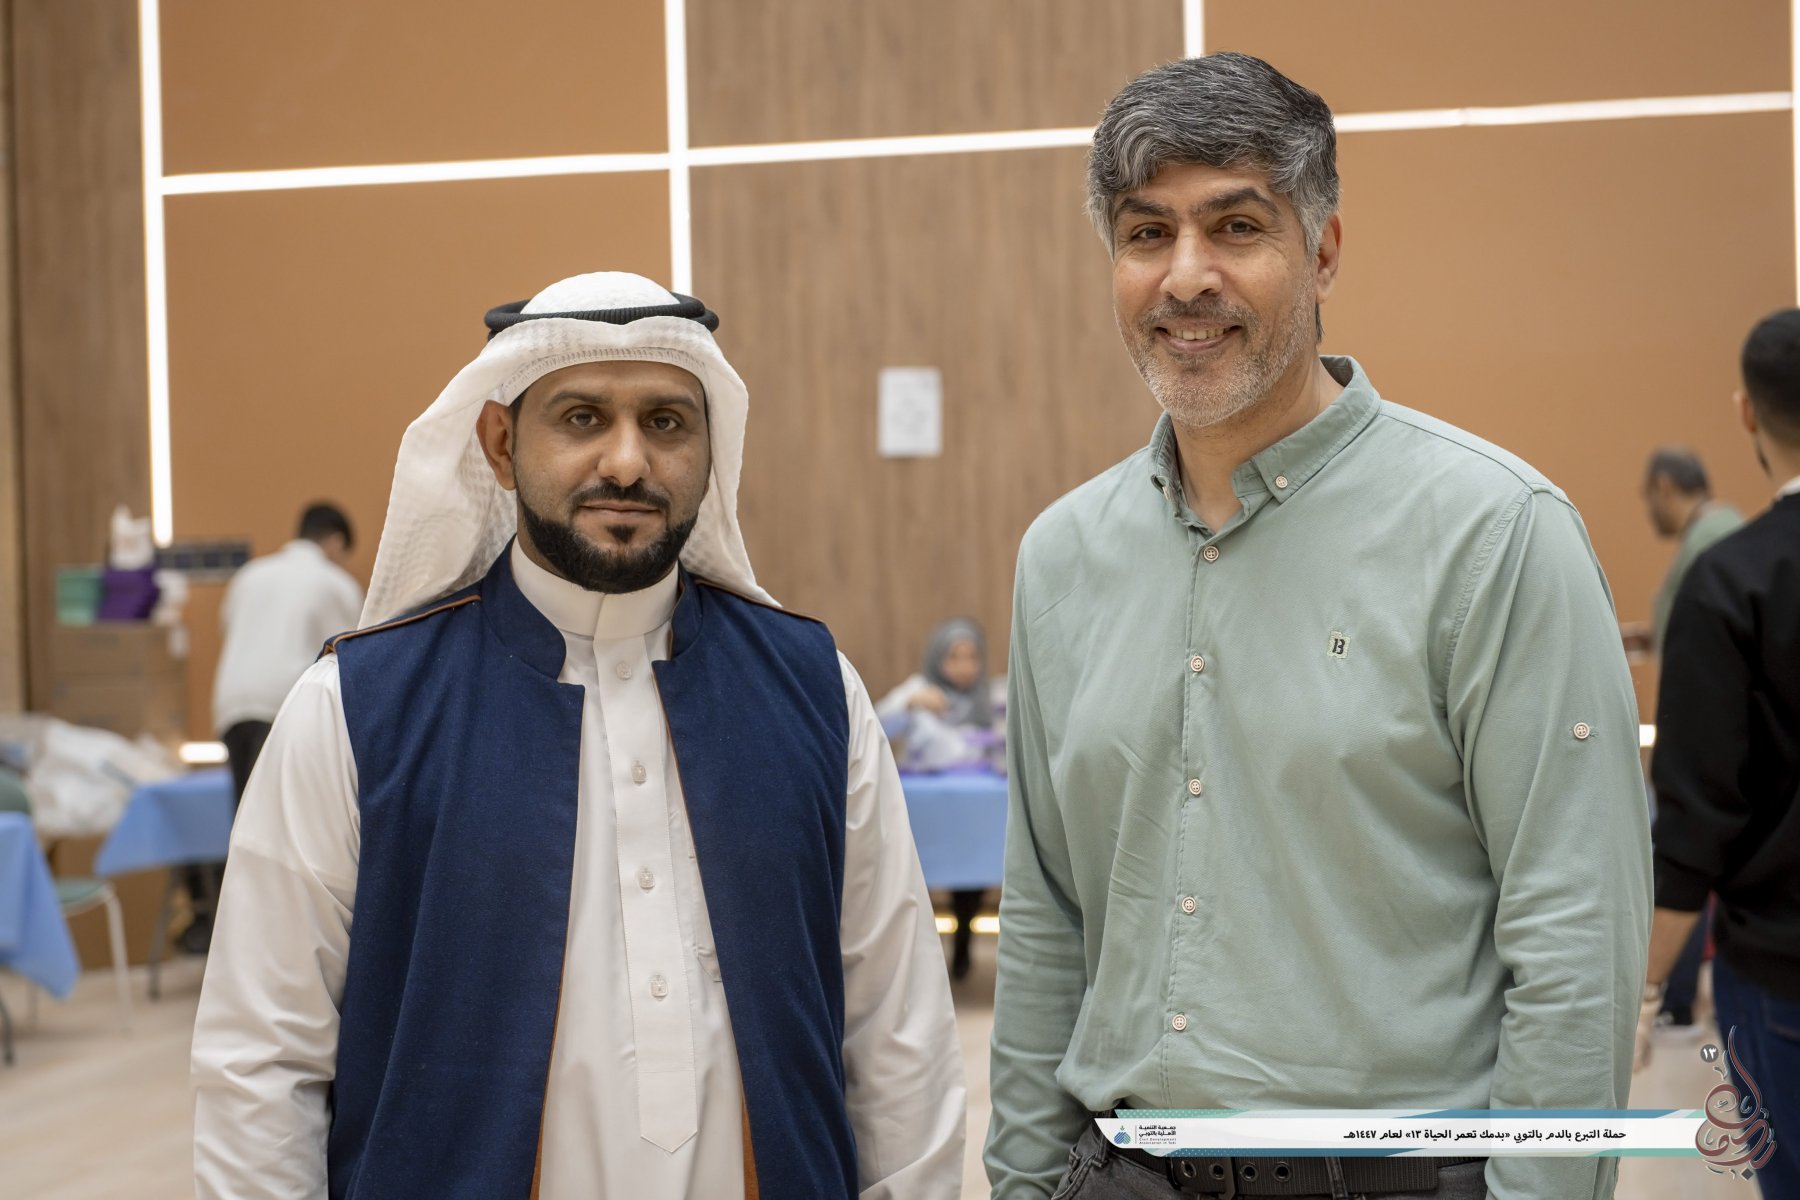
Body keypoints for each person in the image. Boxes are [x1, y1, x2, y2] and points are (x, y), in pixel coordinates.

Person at [987, 54, 1650, 1200]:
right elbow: (1045, 920)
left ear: (1324, 251)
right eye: (1146, 234)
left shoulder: (1494, 533)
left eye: (1235, 227)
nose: (1185, 276)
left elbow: (1576, 940)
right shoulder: (1062, 558)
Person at [191, 273, 965, 1199]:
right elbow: (261, 1060)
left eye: (667, 422)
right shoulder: (357, 707)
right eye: (582, 418)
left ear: (712, 450)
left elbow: (898, 1029)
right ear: (501, 444)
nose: (628, 462)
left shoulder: (813, 692)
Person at [1645, 308, 1800, 1200]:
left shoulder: (1733, 579)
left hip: (1783, 976)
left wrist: (1644, 991)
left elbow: (1698, 815)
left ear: (1746, 412)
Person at [182, 503, 362, 953]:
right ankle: (268, 947)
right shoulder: (333, 582)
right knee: (286, 834)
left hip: (233, 705)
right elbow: (355, 651)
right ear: (335, 542)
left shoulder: (250, 575)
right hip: (286, 705)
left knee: (249, 824)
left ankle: (246, 944)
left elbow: (230, 631)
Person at [877, 618, 1003, 980]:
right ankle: (922, 956)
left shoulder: (988, 697)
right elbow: (877, 723)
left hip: (974, 812)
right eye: (953, 657)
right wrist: (910, 703)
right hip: (928, 811)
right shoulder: (919, 690)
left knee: (973, 872)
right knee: (920, 877)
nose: (963, 666)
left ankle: (963, 947)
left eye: (971, 657)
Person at [1639, 448, 1743, 653]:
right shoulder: (1717, 528)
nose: (1649, 510)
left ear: (1663, 486)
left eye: (1648, 496)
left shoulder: (1708, 538)